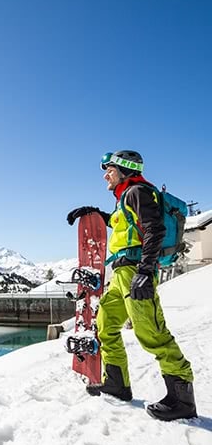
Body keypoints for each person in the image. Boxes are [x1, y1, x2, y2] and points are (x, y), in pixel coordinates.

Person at [66, 150, 197, 421]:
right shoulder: (125, 198)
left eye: (110, 170)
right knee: (105, 325)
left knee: (151, 332)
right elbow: (126, 229)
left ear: (124, 171)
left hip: (137, 270)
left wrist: (145, 272)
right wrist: (96, 214)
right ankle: (117, 383)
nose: (105, 175)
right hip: (122, 272)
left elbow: (154, 230)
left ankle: (182, 399)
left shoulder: (138, 192)